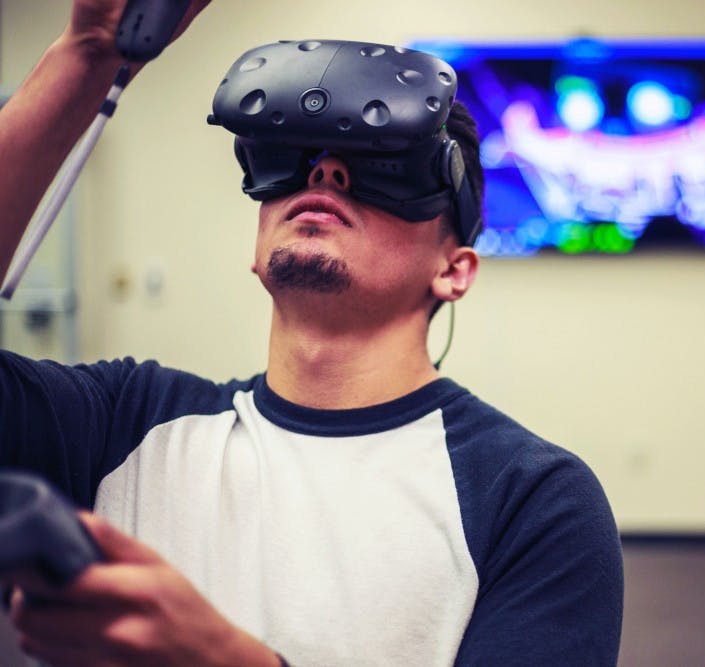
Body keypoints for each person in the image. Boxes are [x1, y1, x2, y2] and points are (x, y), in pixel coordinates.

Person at [0, 1, 625, 666]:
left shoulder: (533, 499)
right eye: (291, 158)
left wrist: (219, 657)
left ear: (455, 269)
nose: (326, 173)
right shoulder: (120, 423)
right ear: (257, 239)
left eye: (387, 164)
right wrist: (88, 55)